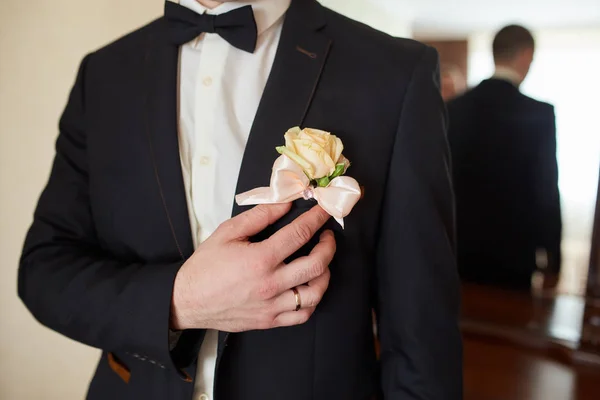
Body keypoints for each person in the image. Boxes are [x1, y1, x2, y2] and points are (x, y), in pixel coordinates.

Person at [18, 0, 462, 399]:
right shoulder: (103, 74)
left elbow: (422, 336)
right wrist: (180, 301)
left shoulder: (393, 71)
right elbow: (44, 272)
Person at [447, 24, 562, 291]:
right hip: (514, 252)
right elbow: (546, 187)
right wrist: (553, 256)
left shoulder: (453, 109)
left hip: (458, 246)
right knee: (512, 326)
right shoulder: (540, 113)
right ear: (525, 55)